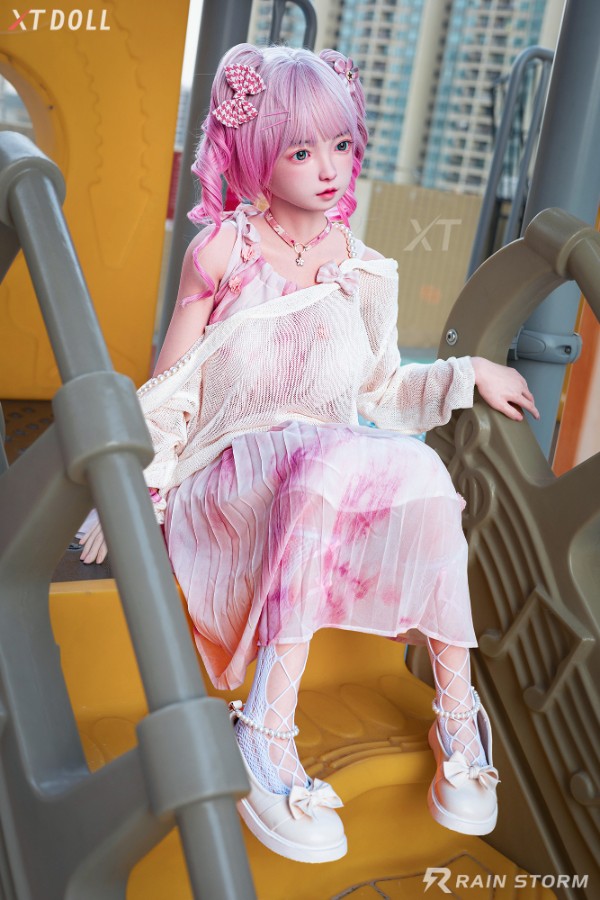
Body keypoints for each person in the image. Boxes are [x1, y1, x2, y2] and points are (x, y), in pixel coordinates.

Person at [79, 43, 539, 864]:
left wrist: (469, 373)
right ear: (257, 152)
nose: (329, 168)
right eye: (300, 150)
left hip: (320, 472)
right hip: (234, 475)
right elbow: (172, 388)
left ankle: (457, 717)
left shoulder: (362, 270)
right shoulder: (221, 253)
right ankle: (263, 731)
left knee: (425, 470)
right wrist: (133, 488)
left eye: (340, 144)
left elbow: (382, 389)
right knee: (330, 463)